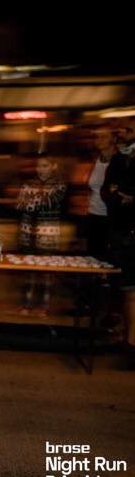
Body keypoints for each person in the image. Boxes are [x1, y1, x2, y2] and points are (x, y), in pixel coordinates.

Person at [16, 154, 67, 316]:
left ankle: (44, 307)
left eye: (45, 165)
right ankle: (26, 305)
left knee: (46, 271)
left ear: (54, 166)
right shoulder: (28, 183)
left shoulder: (59, 183)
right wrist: (36, 199)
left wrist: (32, 200)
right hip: (27, 232)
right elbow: (20, 204)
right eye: (39, 166)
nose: (41, 169)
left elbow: (50, 202)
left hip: (48, 234)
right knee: (29, 270)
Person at [101, 120, 135, 366]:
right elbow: (106, 189)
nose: (121, 135)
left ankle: (131, 344)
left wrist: (129, 196)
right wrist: (117, 195)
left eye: (128, 131)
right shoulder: (117, 159)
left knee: (132, 289)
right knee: (125, 288)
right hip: (120, 229)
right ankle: (127, 336)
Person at [86, 128, 117, 258]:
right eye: (97, 137)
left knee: (109, 256)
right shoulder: (95, 160)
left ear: (114, 139)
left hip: (111, 216)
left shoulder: (120, 161)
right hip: (93, 214)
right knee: (93, 255)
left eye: (103, 136)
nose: (99, 140)